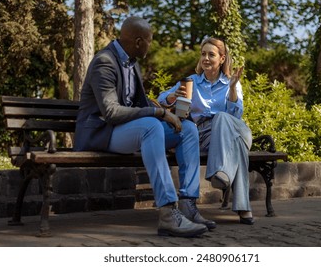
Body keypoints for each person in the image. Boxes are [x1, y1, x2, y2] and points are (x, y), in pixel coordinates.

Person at [74, 16, 216, 237]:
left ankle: (188, 204)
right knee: (151, 126)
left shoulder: (132, 63)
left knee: (187, 129)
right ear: (139, 41)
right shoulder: (105, 62)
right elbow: (111, 112)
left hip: (128, 131)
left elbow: (138, 103)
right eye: (150, 40)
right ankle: (169, 213)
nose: (151, 45)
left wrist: (167, 108)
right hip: (103, 133)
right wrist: (157, 113)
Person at [158, 37, 255, 225]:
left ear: (222, 58)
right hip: (205, 137)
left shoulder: (231, 82)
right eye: (203, 54)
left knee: (222, 118)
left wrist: (233, 87)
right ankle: (243, 207)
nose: (206, 58)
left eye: (211, 54)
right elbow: (161, 99)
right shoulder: (191, 82)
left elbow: (237, 115)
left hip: (231, 130)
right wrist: (172, 96)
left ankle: (220, 171)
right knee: (238, 146)